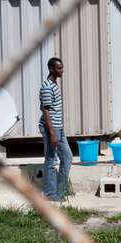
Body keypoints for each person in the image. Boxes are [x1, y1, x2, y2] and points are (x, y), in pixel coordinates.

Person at [39, 57, 72, 201]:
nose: (62, 71)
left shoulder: (53, 84)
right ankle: (50, 194)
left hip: (58, 127)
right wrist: (52, 133)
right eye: (59, 68)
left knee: (67, 157)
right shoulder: (47, 87)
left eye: (62, 68)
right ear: (51, 69)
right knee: (51, 160)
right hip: (51, 128)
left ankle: (60, 191)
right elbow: (45, 111)